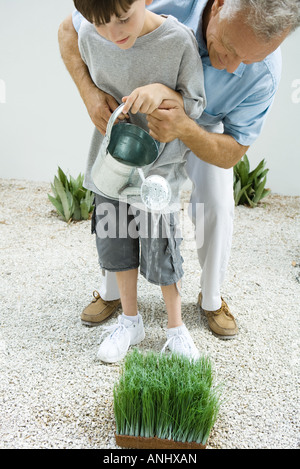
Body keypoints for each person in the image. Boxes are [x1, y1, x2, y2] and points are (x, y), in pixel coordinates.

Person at [58, 0, 300, 338]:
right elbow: (71, 29)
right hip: (140, 122)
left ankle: (211, 299)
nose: (230, 67)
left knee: (217, 205)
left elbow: (232, 150)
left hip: (207, 129)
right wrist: (89, 94)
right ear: (217, 7)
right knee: (118, 200)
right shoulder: (155, 4)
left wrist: (184, 127)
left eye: (247, 60)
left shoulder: (266, 74)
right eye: (229, 47)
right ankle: (113, 294)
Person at [71, 0, 206, 362]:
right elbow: (91, 84)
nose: (113, 34)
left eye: (123, 18)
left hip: (159, 167)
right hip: (111, 161)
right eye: (101, 24)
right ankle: (130, 322)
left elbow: (195, 104)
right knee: (115, 240)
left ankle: (176, 328)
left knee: (161, 242)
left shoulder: (178, 41)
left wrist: (163, 93)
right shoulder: (88, 34)